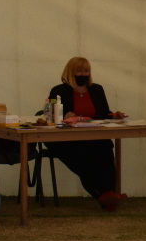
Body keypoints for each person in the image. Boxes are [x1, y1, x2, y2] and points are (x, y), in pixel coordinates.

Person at [47, 57, 128, 212]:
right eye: (79, 71)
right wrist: (63, 115)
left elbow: (104, 113)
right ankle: (106, 197)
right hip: (67, 140)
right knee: (86, 159)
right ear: (70, 72)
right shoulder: (58, 91)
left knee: (105, 147)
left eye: (86, 71)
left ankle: (109, 194)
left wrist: (114, 116)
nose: (83, 74)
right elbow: (47, 114)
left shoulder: (97, 89)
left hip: (93, 137)